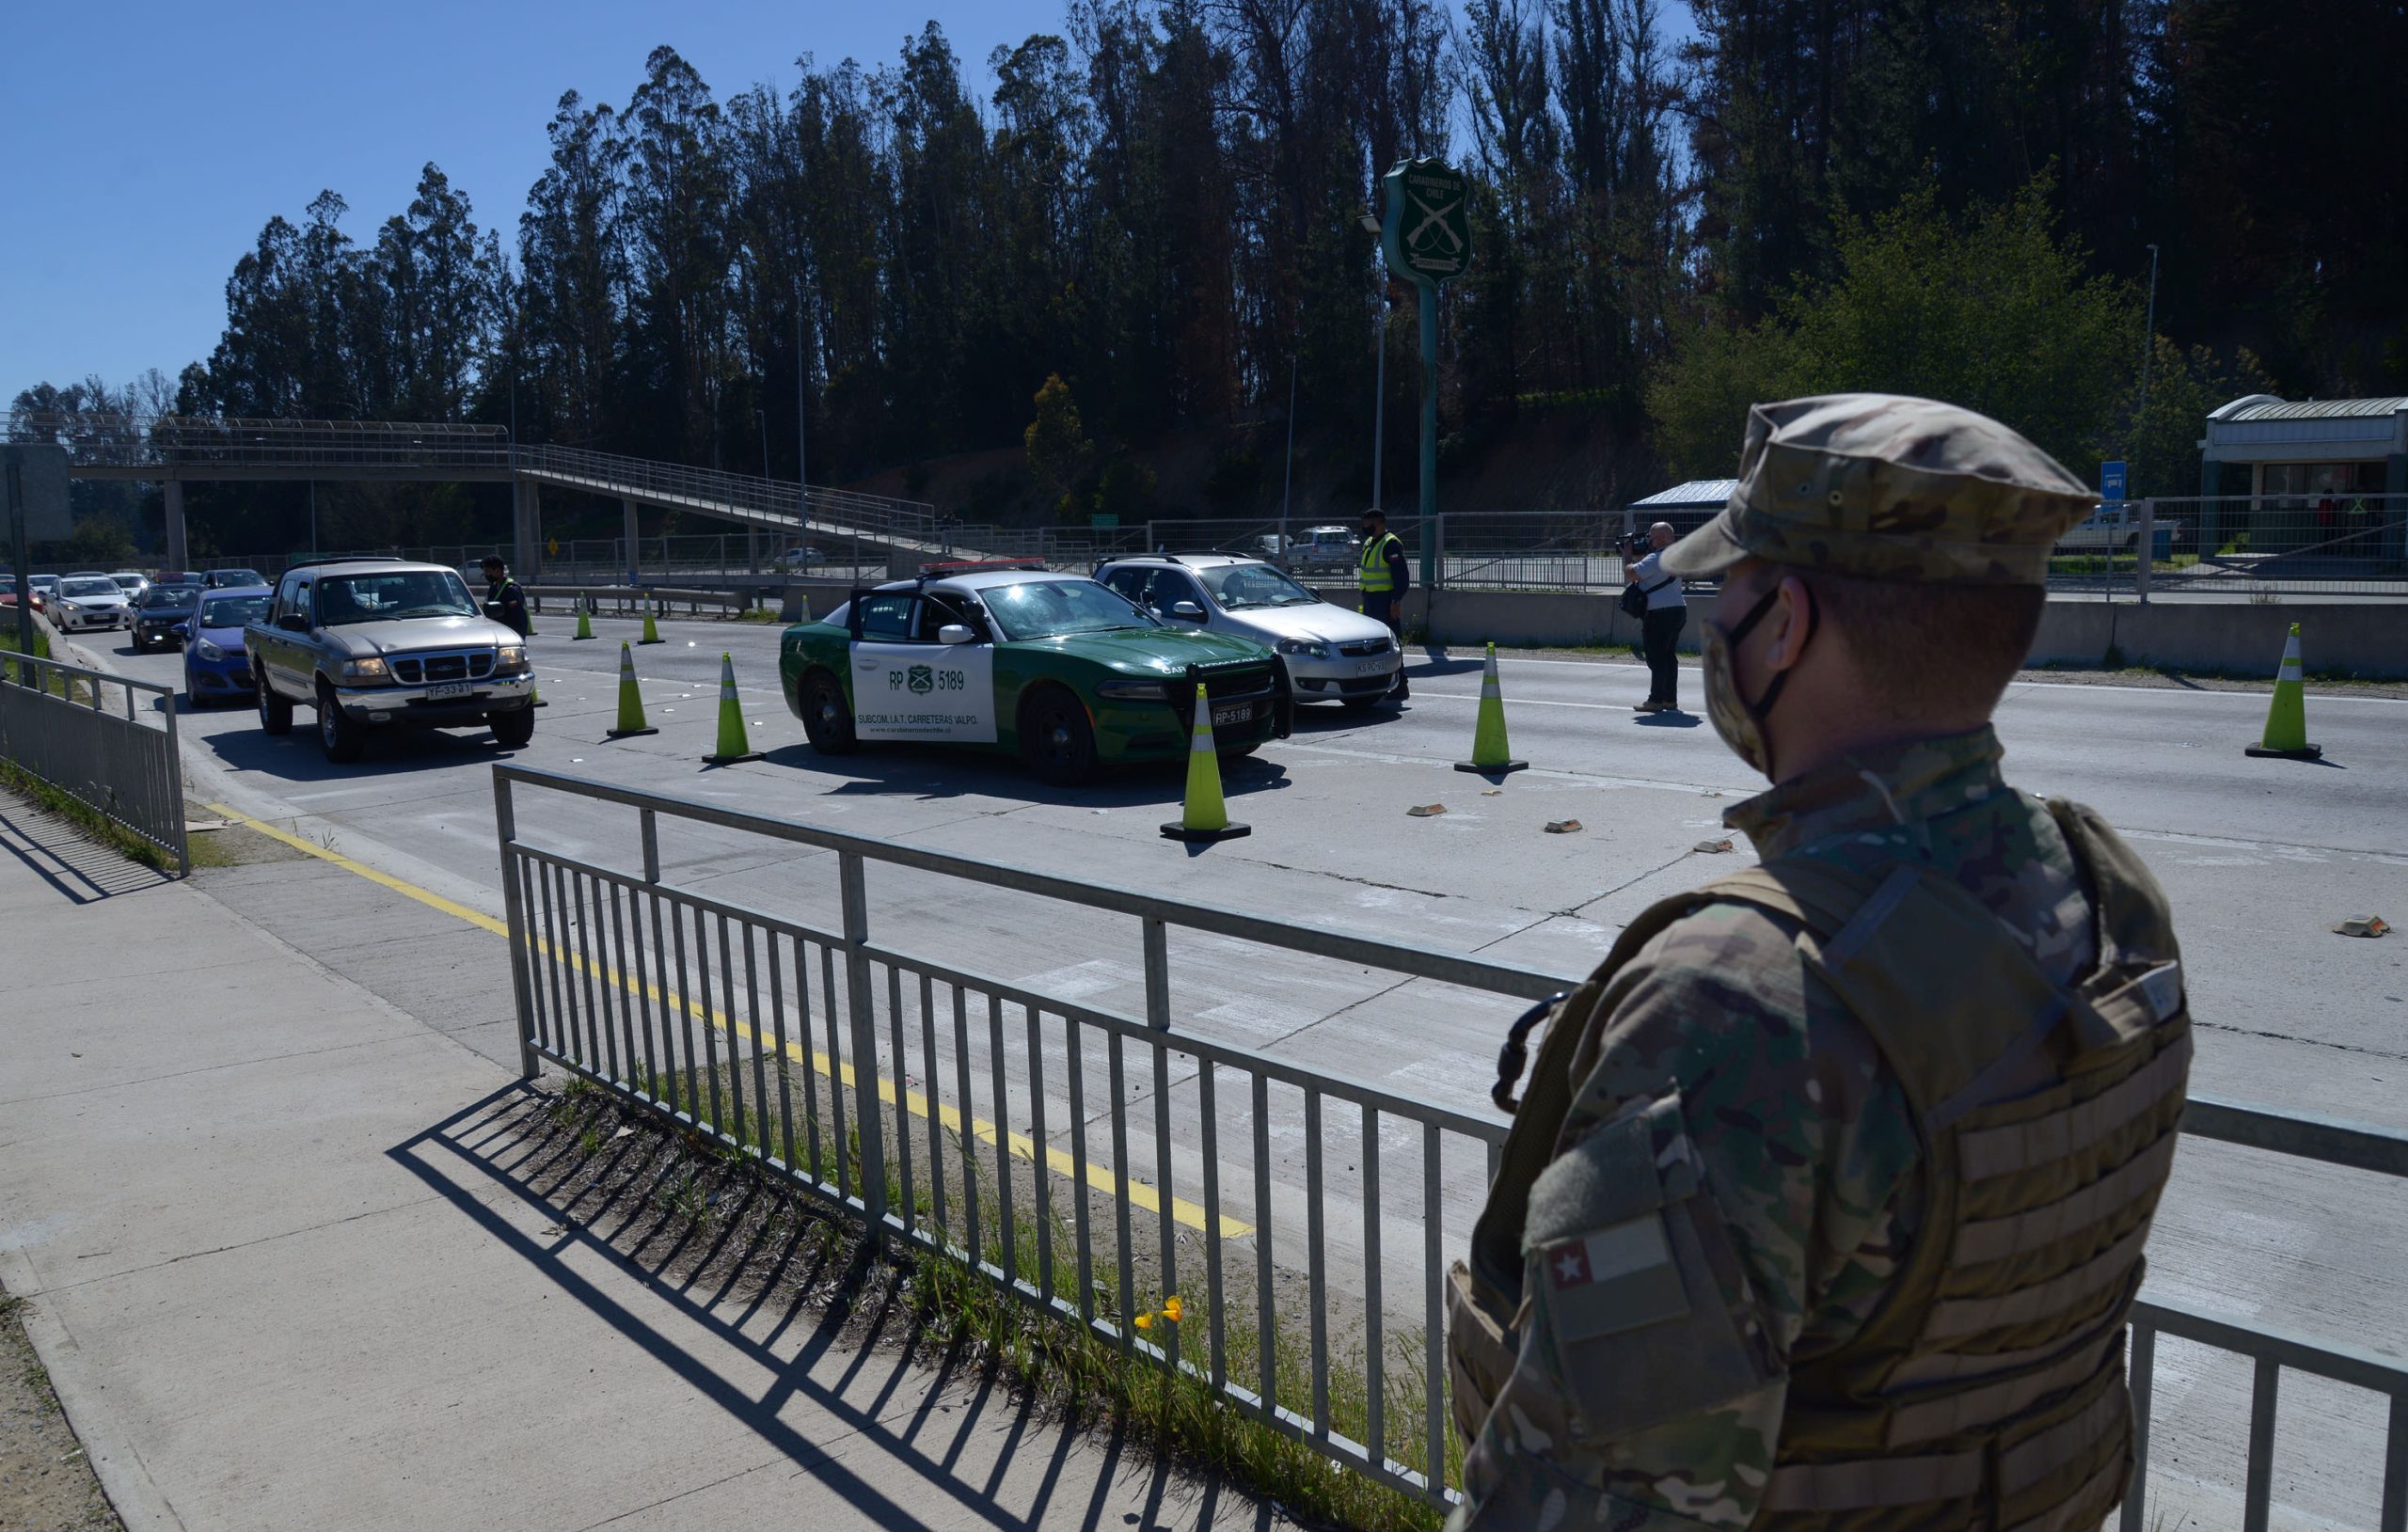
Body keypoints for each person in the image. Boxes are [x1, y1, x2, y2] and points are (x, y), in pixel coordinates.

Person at [1445, 394, 2191, 1532]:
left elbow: (1599, 1502)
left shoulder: (1733, 1002)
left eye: (1725, 593)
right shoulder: (2105, 891)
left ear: (1784, 623)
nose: (1711, 626)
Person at [1627, 519, 1687, 712]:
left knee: (1656, 658)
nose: (1648, 541)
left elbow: (1632, 574)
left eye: (1650, 538)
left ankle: (1655, 700)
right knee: (1669, 656)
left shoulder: (1655, 558)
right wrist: (1642, 557)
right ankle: (1670, 699)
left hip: (1659, 614)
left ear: (1660, 539)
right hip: (1678, 610)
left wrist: (1627, 557)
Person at [1356, 508, 1411, 701]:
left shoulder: (1390, 544)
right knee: (1372, 644)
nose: (1364, 527)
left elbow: (1402, 577)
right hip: (1370, 600)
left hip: (1385, 601)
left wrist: (1395, 600)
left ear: (1378, 523)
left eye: (1366, 523)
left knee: (1390, 643)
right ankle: (1378, 684)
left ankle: (1401, 684)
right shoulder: (1370, 543)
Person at [481, 556, 531, 638]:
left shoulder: (512, 590)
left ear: (498, 571)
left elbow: (518, 619)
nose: (486, 575)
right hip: (497, 632)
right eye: (484, 572)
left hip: (510, 635)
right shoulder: (493, 587)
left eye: (488, 571)